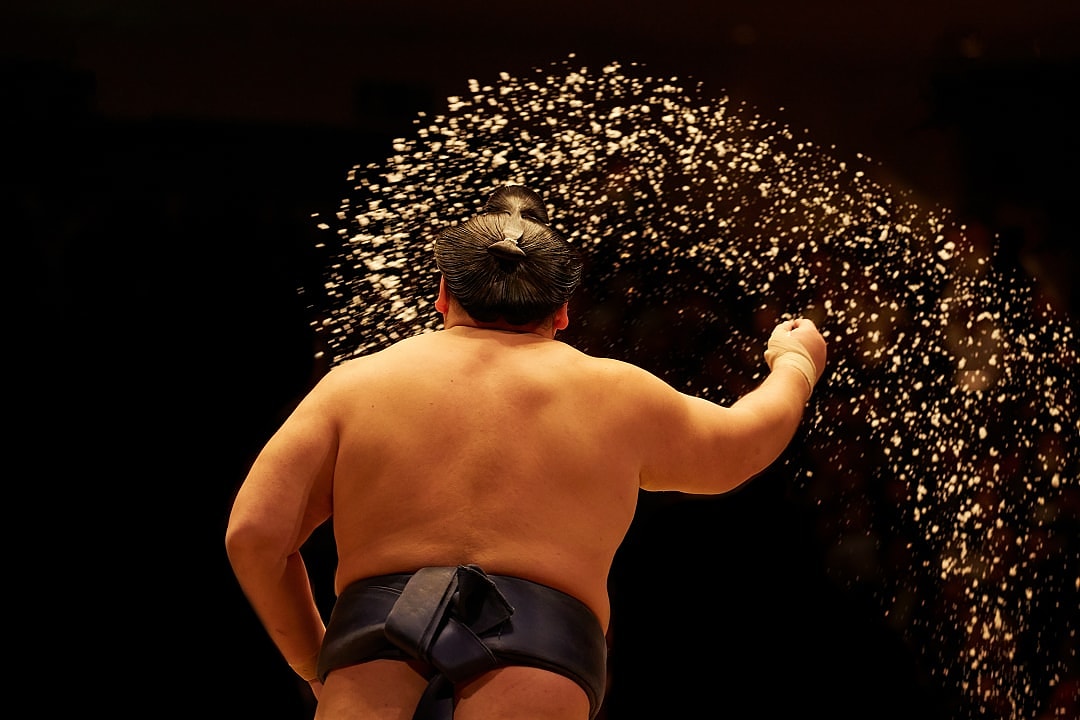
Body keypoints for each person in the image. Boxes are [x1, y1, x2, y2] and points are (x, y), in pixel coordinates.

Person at [225, 184, 827, 720]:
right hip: (540, 667)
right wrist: (795, 363)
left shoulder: (355, 385)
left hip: (370, 664)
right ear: (563, 311)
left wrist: (315, 661)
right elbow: (743, 444)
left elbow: (254, 534)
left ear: (441, 294)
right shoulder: (616, 393)